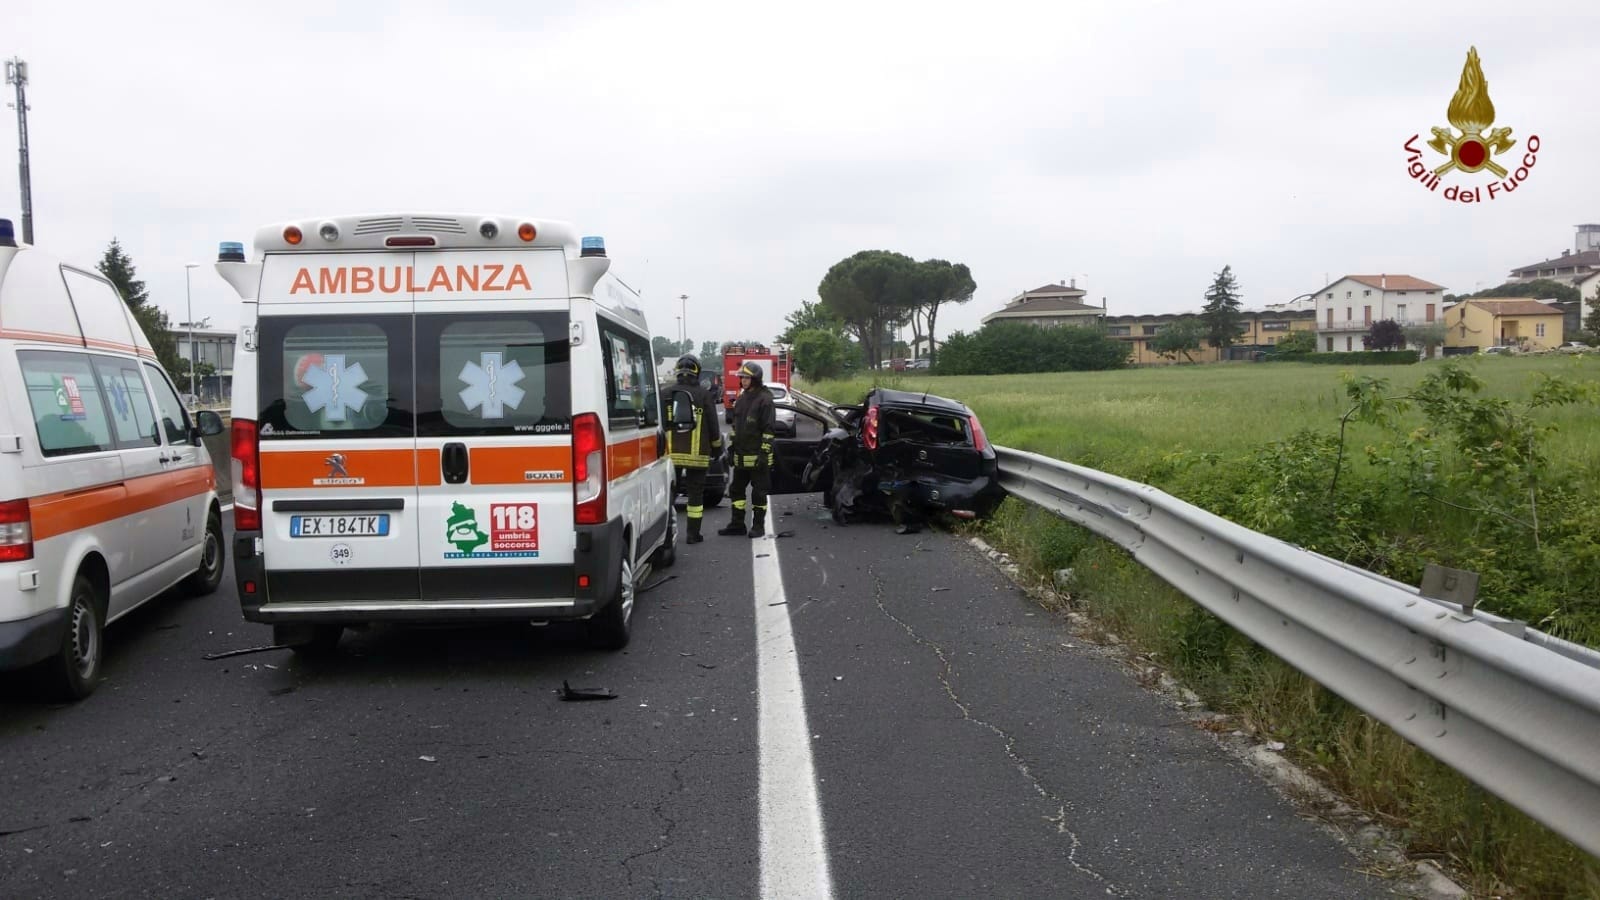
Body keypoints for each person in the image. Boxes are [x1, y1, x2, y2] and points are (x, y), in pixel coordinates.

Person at [661, 355, 722, 543]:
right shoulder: (704, 395)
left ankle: (665, 534)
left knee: (669, 496)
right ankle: (693, 534)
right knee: (695, 496)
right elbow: (713, 425)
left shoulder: (665, 393)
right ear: (697, 372)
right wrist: (717, 448)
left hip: (670, 456)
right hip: (698, 456)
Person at [718, 361, 775, 538]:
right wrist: (732, 448)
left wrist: (764, 453)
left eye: (746, 378)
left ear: (755, 379)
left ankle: (758, 526)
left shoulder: (765, 399)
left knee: (759, 494)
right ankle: (737, 524)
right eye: (742, 377)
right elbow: (736, 427)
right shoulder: (742, 399)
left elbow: (768, 430)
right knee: (736, 490)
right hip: (741, 456)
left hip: (758, 458)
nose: (743, 380)